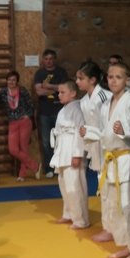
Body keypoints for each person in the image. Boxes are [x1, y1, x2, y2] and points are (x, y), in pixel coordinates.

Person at [99, 62, 130, 258]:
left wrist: (124, 131)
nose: (113, 81)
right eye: (110, 77)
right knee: (117, 206)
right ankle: (129, 245)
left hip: (127, 159)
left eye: (118, 77)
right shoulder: (106, 103)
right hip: (112, 159)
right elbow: (104, 133)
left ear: (127, 80)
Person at [74, 60, 112, 241]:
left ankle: (111, 228)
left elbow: (108, 126)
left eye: (81, 78)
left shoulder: (104, 97)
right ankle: (108, 227)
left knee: (109, 189)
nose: (77, 82)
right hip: (95, 148)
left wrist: (89, 132)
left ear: (93, 80)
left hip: (108, 147)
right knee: (102, 188)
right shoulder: (83, 101)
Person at [0, 70, 39, 181]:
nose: (11, 82)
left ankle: (22, 174)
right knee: (13, 149)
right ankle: (35, 166)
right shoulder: (3, 92)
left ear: (17, 81)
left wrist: (27, 115)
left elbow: (30, 105)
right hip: (12, 123)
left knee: (24, 148)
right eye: (9, 79)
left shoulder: (22, 90)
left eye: (14, 80)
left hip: (24, 122)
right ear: (6, 80)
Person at [50, 80, 89, 229]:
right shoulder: (63, 109)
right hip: (62, 151)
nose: (59, 95)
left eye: (62, 92)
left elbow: (81, 133)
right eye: (58, 92)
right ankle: (68, 214)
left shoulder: (77, 109)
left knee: (75, 188)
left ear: (73, 93)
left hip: (72, 151)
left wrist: (78, 154)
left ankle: (81, 220)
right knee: (64, 185)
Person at [34, 49, 68, 179]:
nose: (48, 61)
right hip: (44, 112)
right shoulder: (40, 73)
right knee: (46, 142)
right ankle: (49, 168)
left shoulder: (61, 72)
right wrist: (56, 89)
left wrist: (48, 85)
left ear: (54, 59)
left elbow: (65, 88)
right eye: (46, 59)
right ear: (43, 60)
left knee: (61, 140)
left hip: (59, 111)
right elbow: (39, 92)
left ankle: (60, 166)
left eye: (51, 59)